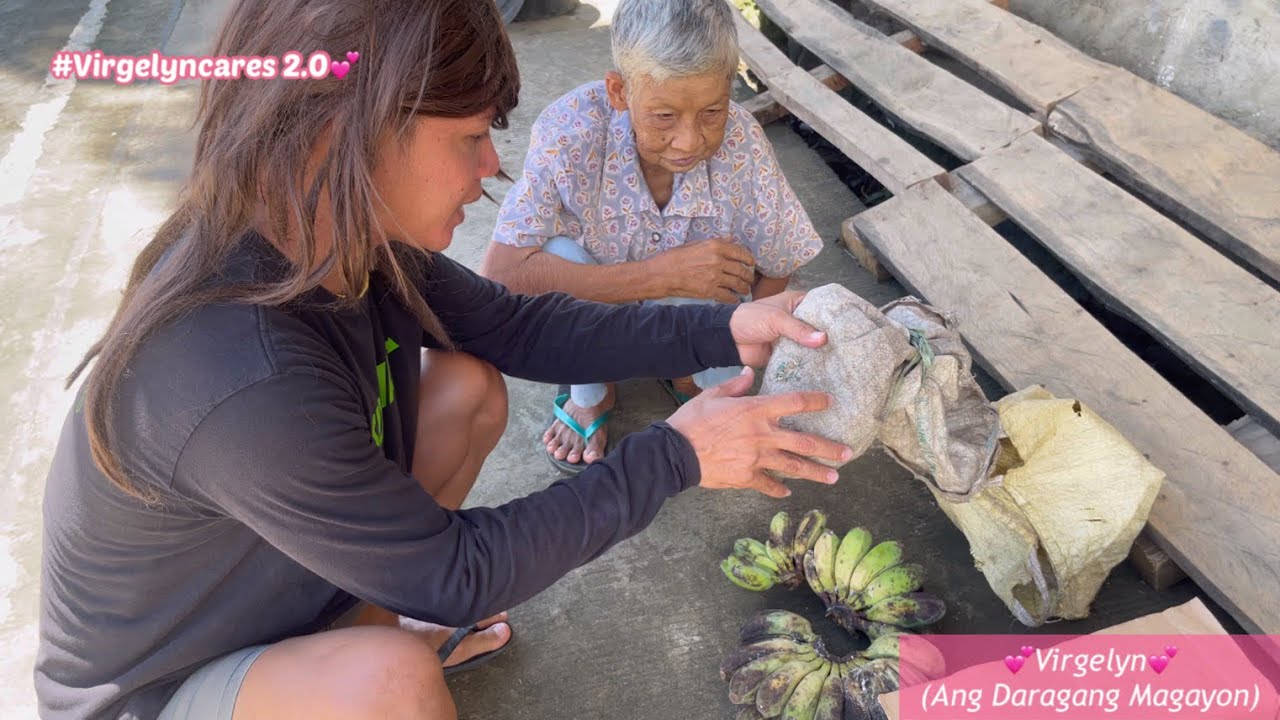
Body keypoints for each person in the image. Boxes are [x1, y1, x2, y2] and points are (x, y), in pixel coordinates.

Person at [33, 1, 852, 719]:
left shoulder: (344, 239)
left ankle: (360, 630)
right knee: (391, 686)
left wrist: (723, 327)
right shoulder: (239, 378)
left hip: (272, 592)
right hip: (166, 690)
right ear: (337, 135)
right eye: (467, 138)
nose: (491, 164)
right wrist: (678, 454)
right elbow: (458, 572)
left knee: (465, 390)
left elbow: (521, 328)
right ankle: (355, 659)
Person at [480, 0, 825, 475]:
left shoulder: (742, 143)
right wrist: (662, 276)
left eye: (712, 111)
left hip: (697, 314)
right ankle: (591, 390)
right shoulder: (570, 131)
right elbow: (502, 276)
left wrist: (738, 359)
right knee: (557, 256)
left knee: (730, 277)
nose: (689, 141)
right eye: (664, 116)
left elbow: (780, 258)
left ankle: (687, 371)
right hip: (599, 305)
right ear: (620, 91)